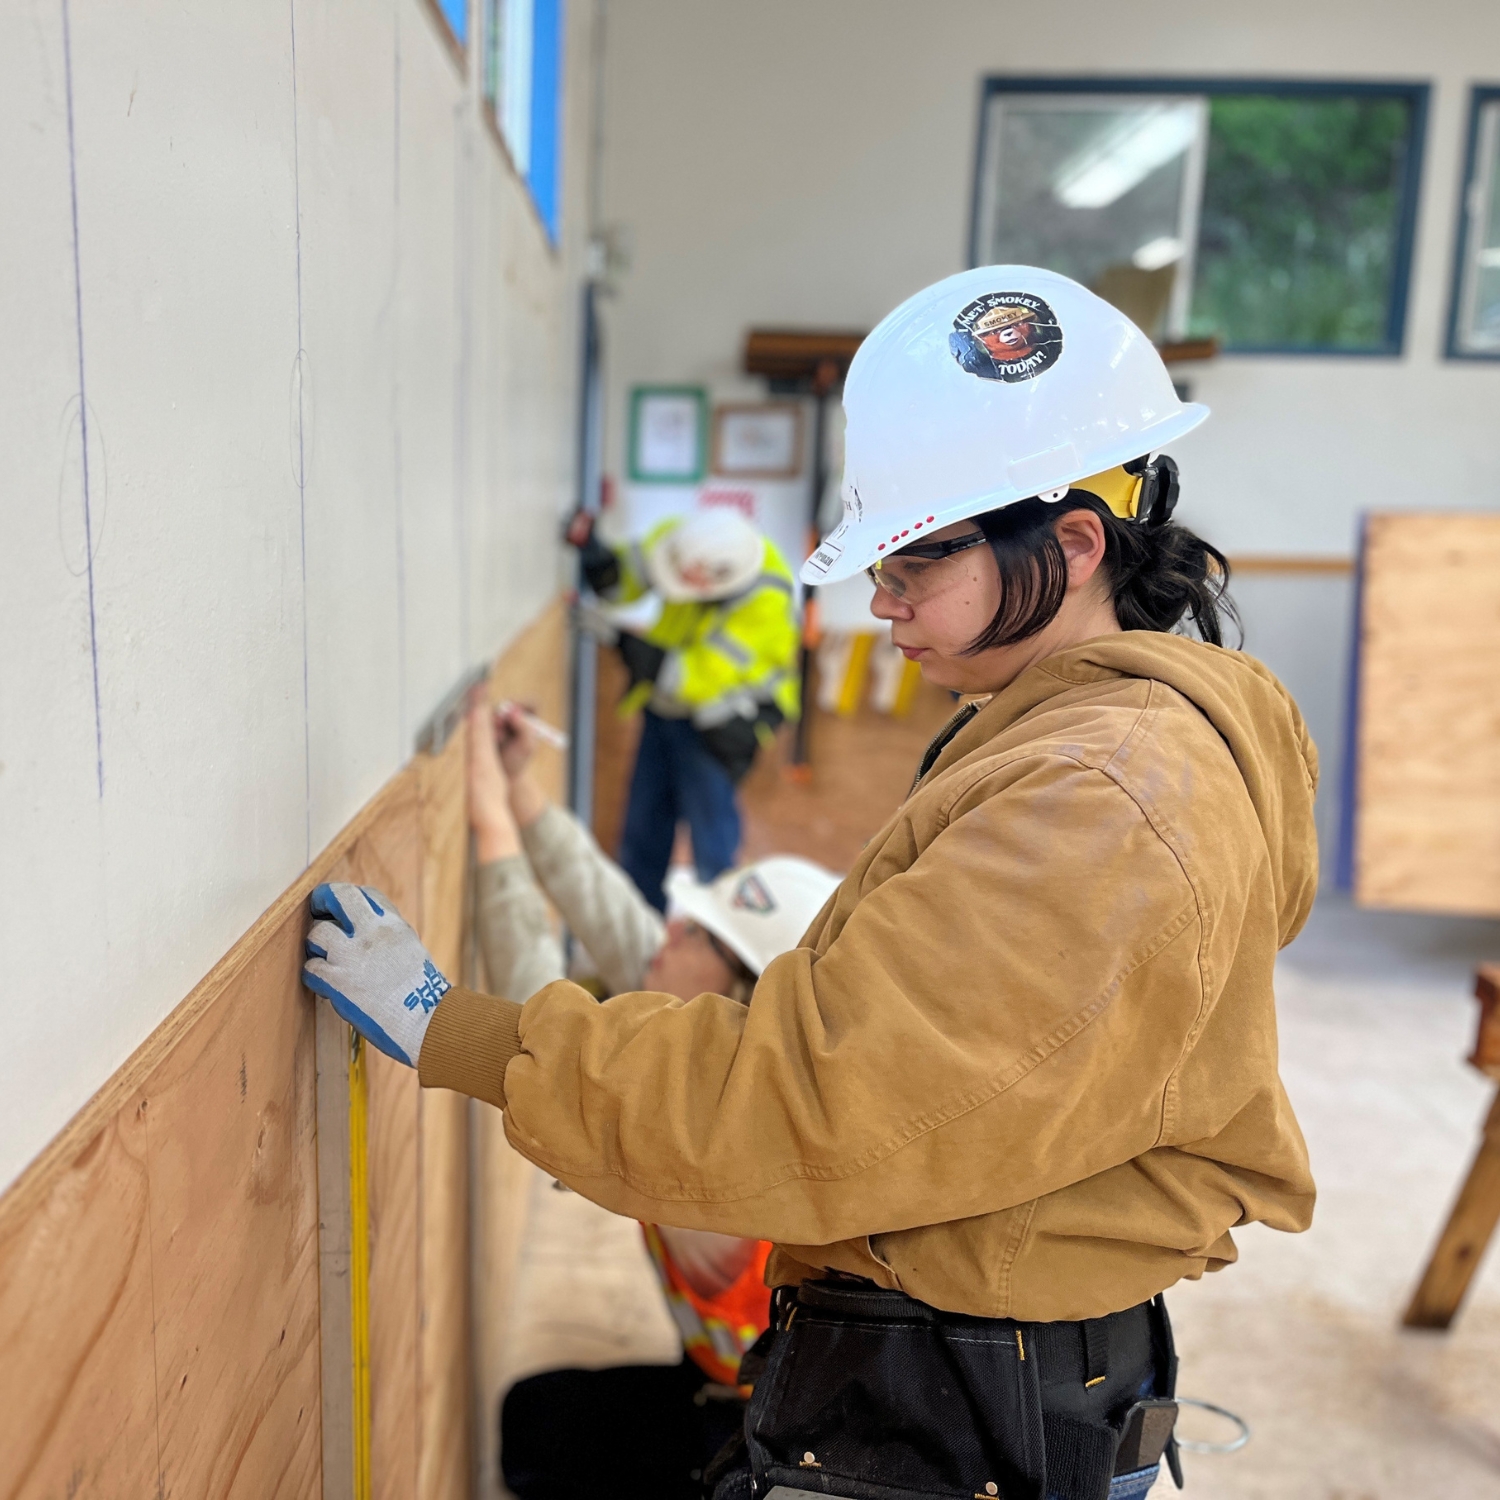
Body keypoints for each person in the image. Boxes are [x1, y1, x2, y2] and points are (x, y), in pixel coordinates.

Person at [304, 265, 1318, 1500]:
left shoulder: (1101, 797)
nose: (877, 601)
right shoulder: (1079, 741)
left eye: (914, 562)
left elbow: (807, 1102)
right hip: (974, 1379)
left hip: (960, 1417)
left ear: (1073, 543)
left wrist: (451, 1030)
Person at [463, 696, 840, 1500]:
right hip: (736, 1381)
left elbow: (541, 1042)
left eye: (696, 933)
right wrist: (523, 789)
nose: (668, 931)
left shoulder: (713, 1156)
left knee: (547, 1454)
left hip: (779, 1446)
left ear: (742, 991)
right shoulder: (734, 1058)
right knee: (535, 1421)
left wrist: (490, 820)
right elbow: (614, 919)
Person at [569, 506, 801, 911]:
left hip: (720, 724)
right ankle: (641, 945)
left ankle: (723, 947)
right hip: (666, 712)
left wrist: (622, 641)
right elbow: (627, 580)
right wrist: (598, 558)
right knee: (644, 831)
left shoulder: (765, 601)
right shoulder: (682, 540)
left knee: (713, 846)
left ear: (714, 583)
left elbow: (690, 679)